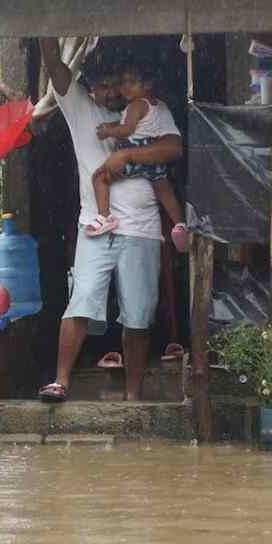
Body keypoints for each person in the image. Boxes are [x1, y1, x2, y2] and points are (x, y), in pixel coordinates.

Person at [35, 38, 183, 403]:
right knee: (81, 302)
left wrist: (128, 154)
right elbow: (55, 65)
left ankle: (134, 395)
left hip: (143, 230)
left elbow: (173, 148)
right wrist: (43, 26)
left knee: (137, 317)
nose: (113, 92)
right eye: (105, 85)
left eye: (119, 85)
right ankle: (61, 382)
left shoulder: (150, 111)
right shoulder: (80, 109)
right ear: (90, 86)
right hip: (95, 229)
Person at [90, 64, 189, 253]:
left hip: (133, 153)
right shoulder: (156, 105)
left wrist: (108, 131)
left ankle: (104, 217)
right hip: (153, 158)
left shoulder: (135, 105)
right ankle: (180, 224)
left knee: (99, 178)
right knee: (164, 190)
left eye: (132, 82)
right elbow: (127, 122)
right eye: (123, 83)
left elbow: (127, 129)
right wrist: (114, 124)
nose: (125, 87)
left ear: (148, 84)